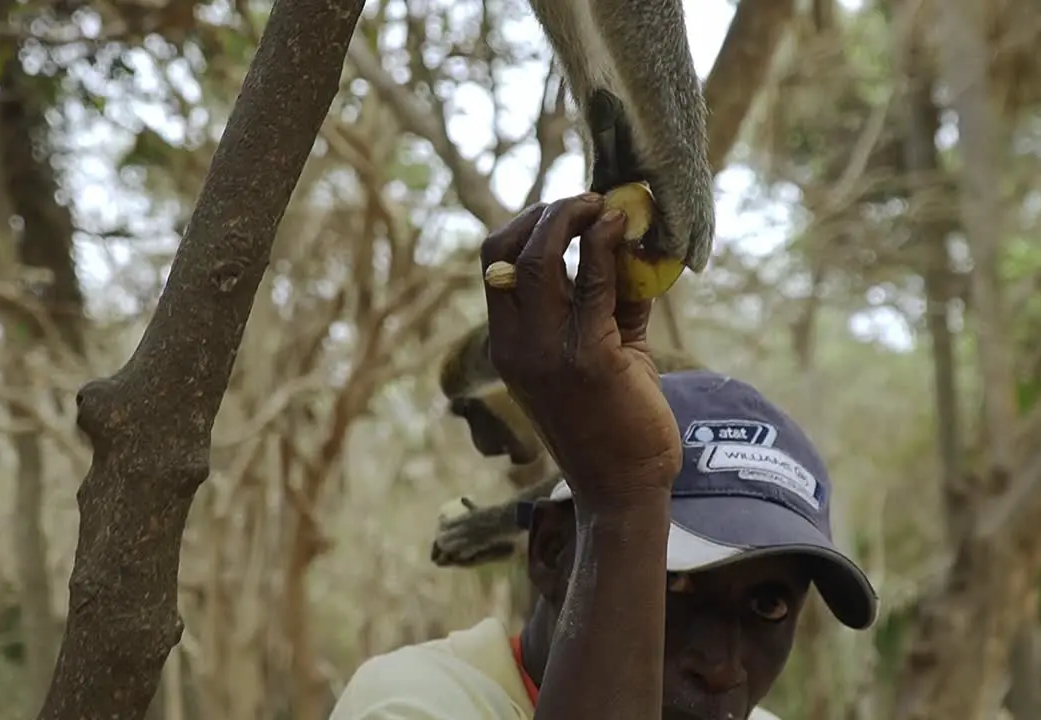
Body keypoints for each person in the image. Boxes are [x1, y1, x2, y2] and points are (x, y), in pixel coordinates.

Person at [329, 195, 879, 720]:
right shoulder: (417, 702)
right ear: (548, 553)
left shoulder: (627, 393)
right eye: (673, 583)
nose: (722, 668)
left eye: (769, 606)